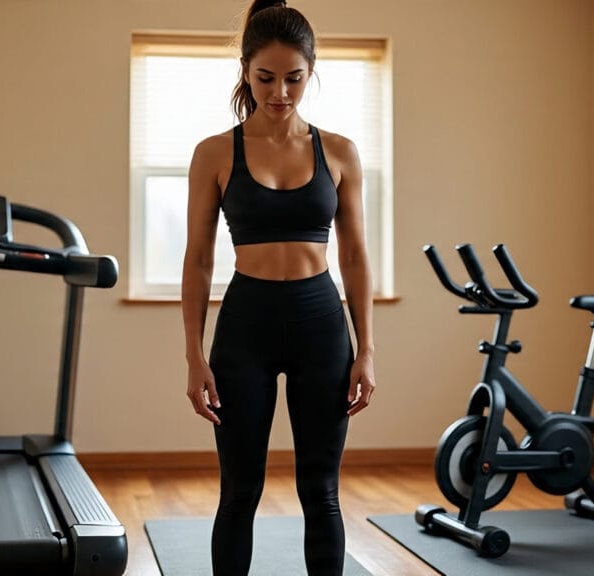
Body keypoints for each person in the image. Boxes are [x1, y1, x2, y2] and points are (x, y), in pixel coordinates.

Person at [181, 0, 376, 574]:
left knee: (322, 491)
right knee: (240, 491)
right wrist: (193, 356)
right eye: (266, 77)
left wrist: (367, 349)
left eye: (294, 78)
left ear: (311, 73)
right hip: (246, 327)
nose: (280, 92)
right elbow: (198, 260)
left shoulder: (339, 151)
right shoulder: (215, 152)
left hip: (321, 325)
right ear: (245, 70)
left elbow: (355, 256)